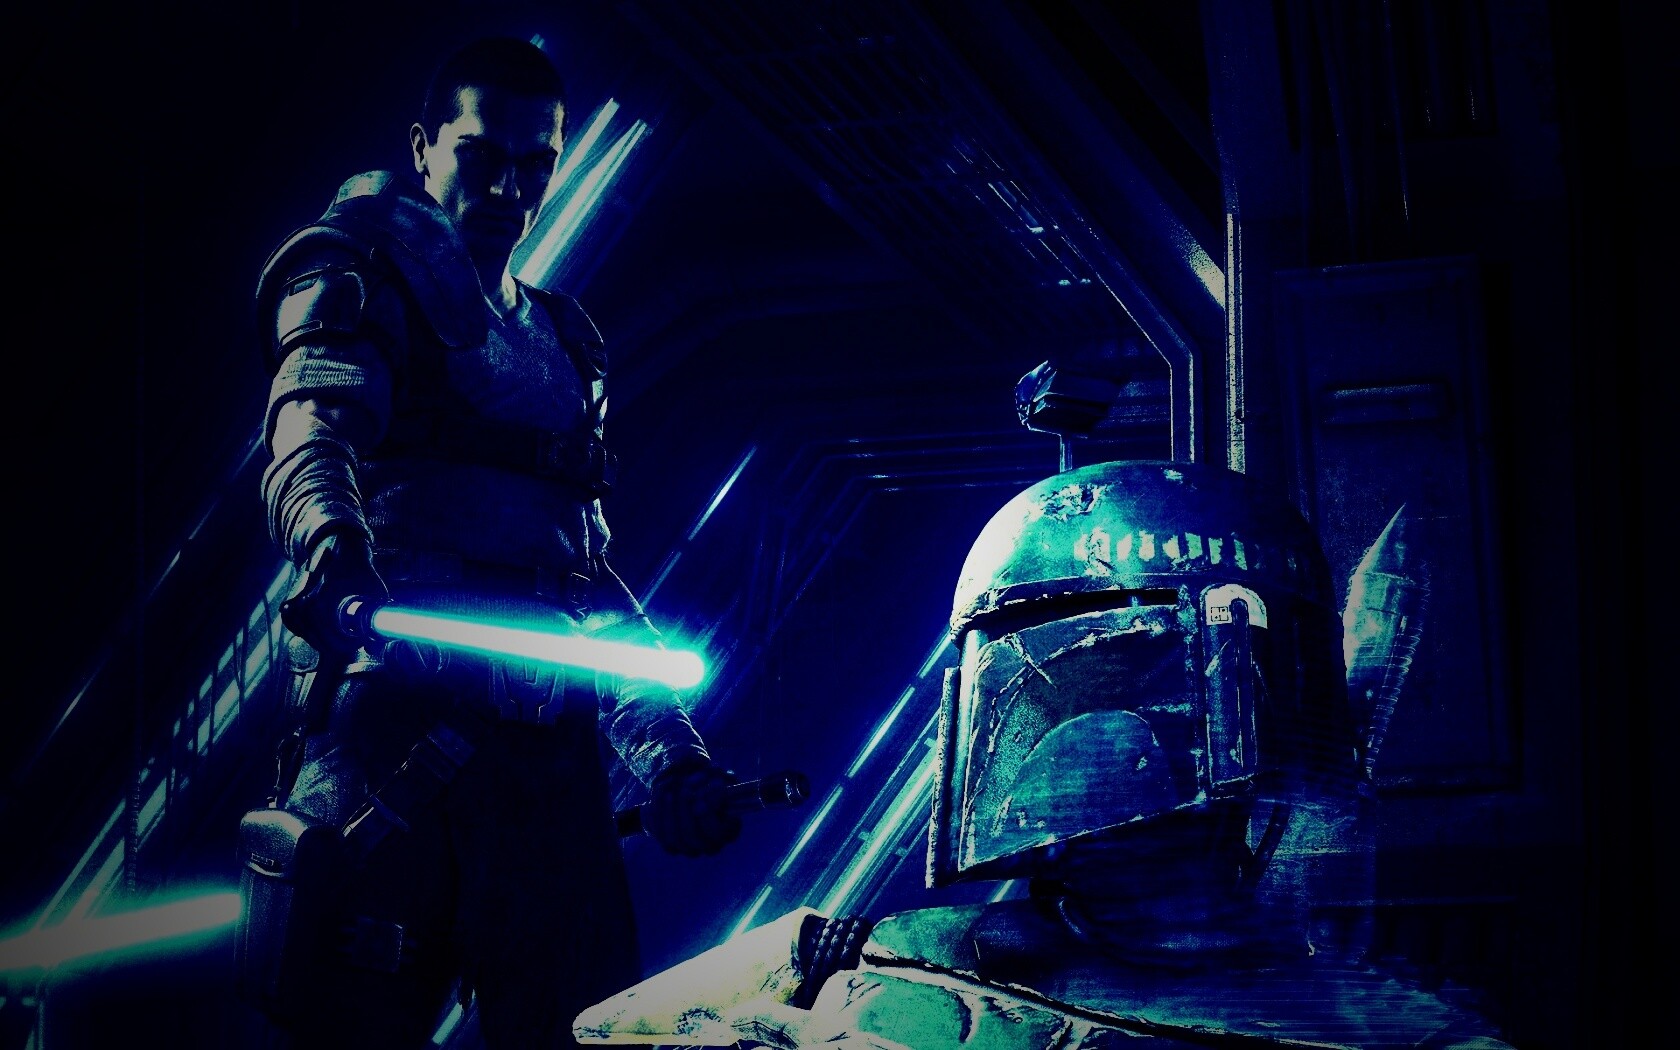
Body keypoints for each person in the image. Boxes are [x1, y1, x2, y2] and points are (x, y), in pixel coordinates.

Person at [572, 457, 1518, 1049]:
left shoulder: (1400, 1030)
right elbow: (608, 1032)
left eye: (1120, 682)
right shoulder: (844, 956)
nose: (1074, 729)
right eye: (1067, 683)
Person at [236, 35, 742, 1049]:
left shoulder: (567, 344)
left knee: (589, 1028)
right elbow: (310, 434)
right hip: (395, 736)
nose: (511, 188)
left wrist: (670, 756)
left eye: (537, 164)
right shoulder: (358, 277)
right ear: (424, 148)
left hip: (543, 769)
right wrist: (335, 553)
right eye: (482, 156)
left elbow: (584, 578)